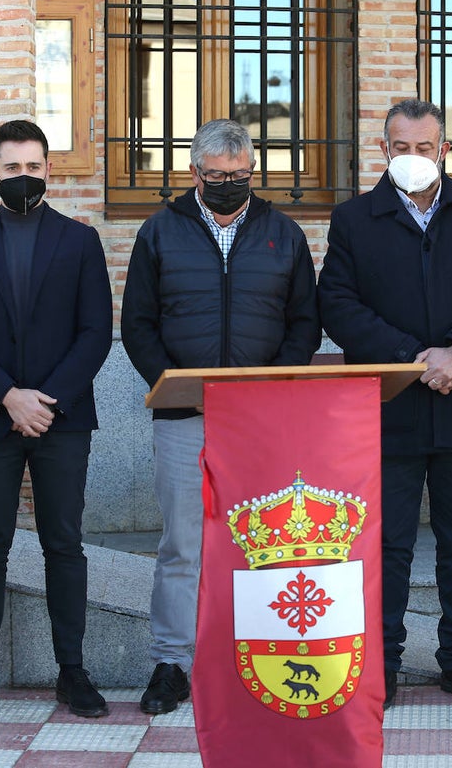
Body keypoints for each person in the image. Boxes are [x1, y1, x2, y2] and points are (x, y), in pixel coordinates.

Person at [317, 99, 452, 710]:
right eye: (401, 147)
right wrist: (414, 357)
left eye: (425, 147)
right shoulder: (355, 218)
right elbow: (338, 302)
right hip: (389, 405)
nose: (414, 158)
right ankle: (379, 661)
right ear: (384, 150)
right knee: (388, 544)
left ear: (444, 149)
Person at [122, 118, 321, 715]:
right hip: (186, 419)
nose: (230, 184)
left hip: (259, 421)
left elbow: (303, 324)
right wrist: (175, 387)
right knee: (183, 544)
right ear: (194, 174)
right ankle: (172, 662)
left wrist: (267, 392)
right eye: (218, 176)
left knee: (261, 543)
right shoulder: (160, 233)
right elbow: (138, 325)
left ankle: (257, 658)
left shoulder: (283, 235)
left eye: (240, 176)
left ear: (253, 172)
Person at [0, 120, 114, 718]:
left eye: (33, 167)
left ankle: (73, 670)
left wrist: (45, 401)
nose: (23, 177)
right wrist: (7, 397)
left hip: (62, 422)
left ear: (49, 171)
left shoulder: (80, 241)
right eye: (11, 168)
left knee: (64, 544)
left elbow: (95, 333)